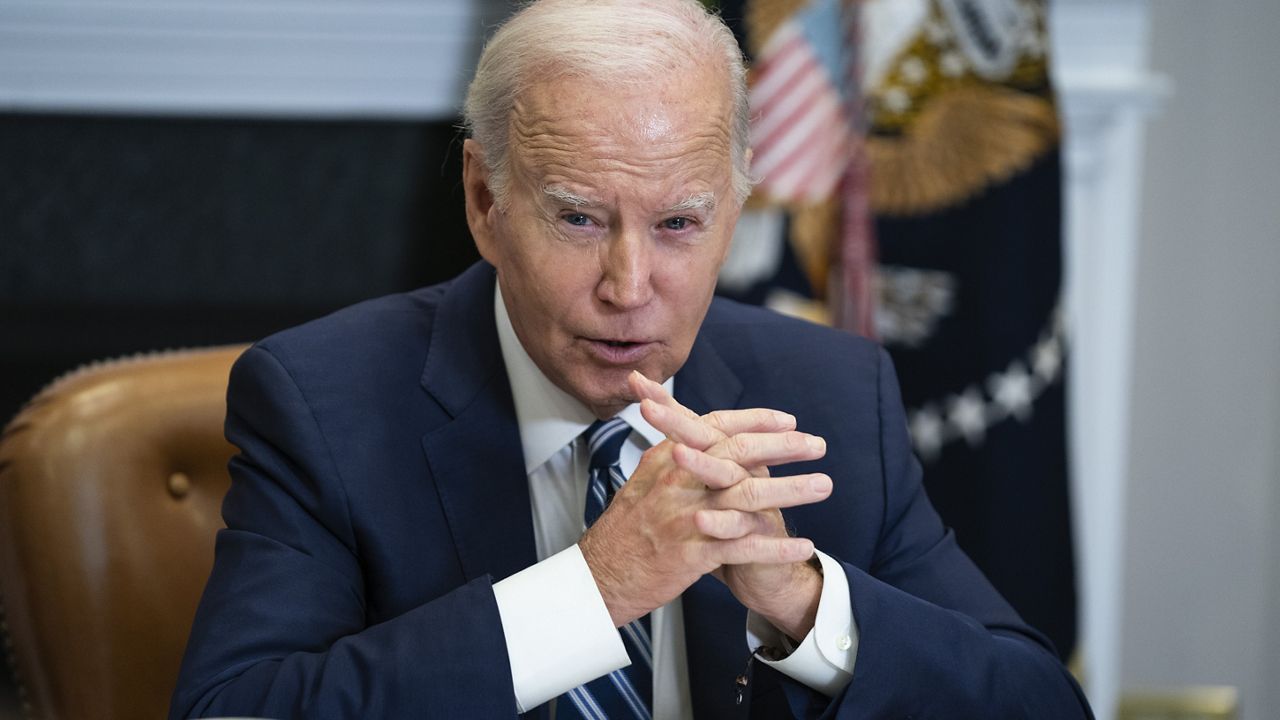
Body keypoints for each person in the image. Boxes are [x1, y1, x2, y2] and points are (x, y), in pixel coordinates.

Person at [170, 0, 1092, 718]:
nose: (629, 285)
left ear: (734, 212)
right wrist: (595, 589)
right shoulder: (322, 402)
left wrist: (811, 609)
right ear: (486, 201)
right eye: (578, 217)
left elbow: (1042, 703)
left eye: (680, 223)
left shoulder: (829, 395)